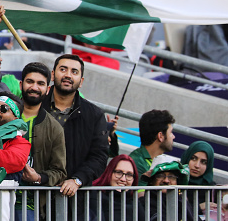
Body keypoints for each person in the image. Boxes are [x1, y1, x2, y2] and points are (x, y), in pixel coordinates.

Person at [41, 54, 108, 197]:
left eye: (74, 72)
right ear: (53, 75)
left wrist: (77, 180)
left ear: (81, 81)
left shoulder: (94, 115)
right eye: (63, 69)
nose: (68, 75)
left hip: (75, 199)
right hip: (34, 193)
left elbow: (99, 157)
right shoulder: (34, 105)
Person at [16, 62, 66, 219]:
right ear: (21, 84)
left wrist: (38, 177)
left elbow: (59, 172)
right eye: (30, 81)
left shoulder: (55, 128)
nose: (34, 87)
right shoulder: (3, 113)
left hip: (29, 203)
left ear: (48, 89)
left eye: (40, 83)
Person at [139, 154, 193, 221]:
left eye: (171, 176)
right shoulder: (144, 203)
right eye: (160, 176)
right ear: (151, 181)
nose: (166, 181)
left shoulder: (182, 202)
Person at [90, 155, 145, 220]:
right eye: (119, 172)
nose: (123, 179)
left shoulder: (134, 202)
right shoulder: (96, 195)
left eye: (129, 175)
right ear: (109, 173)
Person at [129, 109, 175, 185]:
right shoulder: (136, 162)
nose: (173, 136)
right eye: (170, 132)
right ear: (160, 136)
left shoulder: (164, 160)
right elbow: (141, 195)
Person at [181, 141, 217, 213]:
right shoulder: (173, 181)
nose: (197, 165)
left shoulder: (213, 190)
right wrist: (199, 207)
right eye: (193, 158)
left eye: (204, 162)